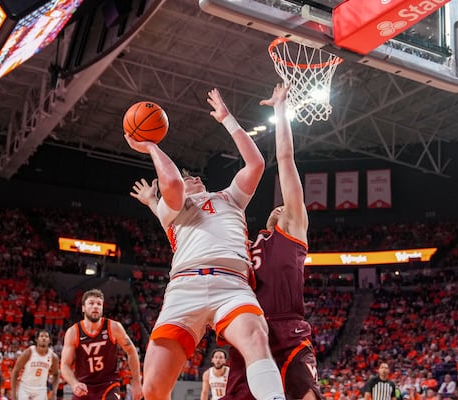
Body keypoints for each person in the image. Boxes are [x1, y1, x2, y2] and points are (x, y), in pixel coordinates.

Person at [127, 88, 285, 400]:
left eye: (196, 177)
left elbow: (255, 164)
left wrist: (227, 119)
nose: (193, 179)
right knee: (154, 388)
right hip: (186, 287)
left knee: (255, 336)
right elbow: (170, 183)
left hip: (232, 284)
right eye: (189, 179)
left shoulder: (229, 197)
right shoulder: (172, 208)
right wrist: (149, 146)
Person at [220, 82, 321, 400]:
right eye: (275, 206)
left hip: (287, 327)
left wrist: (280, 109)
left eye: (284, 205)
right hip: (248, 330)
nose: (280, 206)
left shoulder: (291, 228)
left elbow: (286, 159)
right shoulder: (246, 242)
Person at [60, 289, 143, 400]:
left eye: (99, 304)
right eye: (91, 303)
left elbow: (131, 351)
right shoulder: (73, 332)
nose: (96, 306)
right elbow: (65, 365)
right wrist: (74, 383)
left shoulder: (113, 327)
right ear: (83, 308)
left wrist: (136, 381)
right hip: (84, 386)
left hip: (108, 384)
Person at [10, 330, 60, 400]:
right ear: (37, 339)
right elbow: (15, 371)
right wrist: (13, 391)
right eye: (41, 336)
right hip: (25, 387)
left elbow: (56, 374)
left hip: (40, 389)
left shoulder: (53, 357)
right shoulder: (29, 352)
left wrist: (54, 392)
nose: (44, 338)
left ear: (49, 340)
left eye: (46, 336)